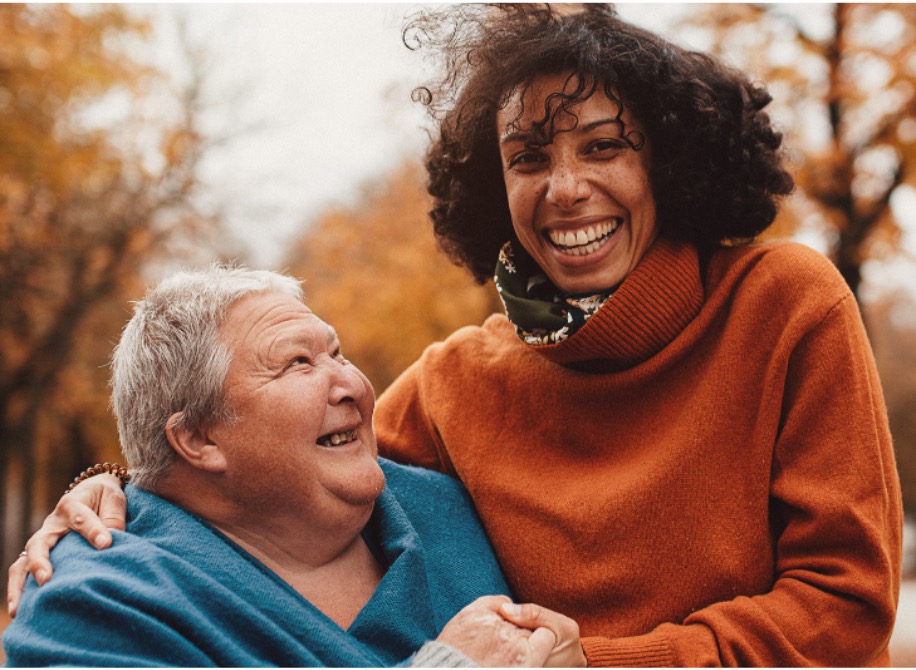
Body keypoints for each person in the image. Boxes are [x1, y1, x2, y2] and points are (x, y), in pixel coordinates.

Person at [9, 4, 903, 666]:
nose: (563, 189)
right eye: (527, 159)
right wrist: (112, 493)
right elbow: (263, 461)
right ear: (494, 188)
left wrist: (591, 661)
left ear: (666, 161)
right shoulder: (457, 383)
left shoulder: (786, 303)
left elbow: (847, 605)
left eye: (602, 148)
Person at [2, 265, 584, 667]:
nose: (354, 385)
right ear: (199, 438)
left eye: (338, 353)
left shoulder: (451, 505)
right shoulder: (98, 601)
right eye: (298, 364)